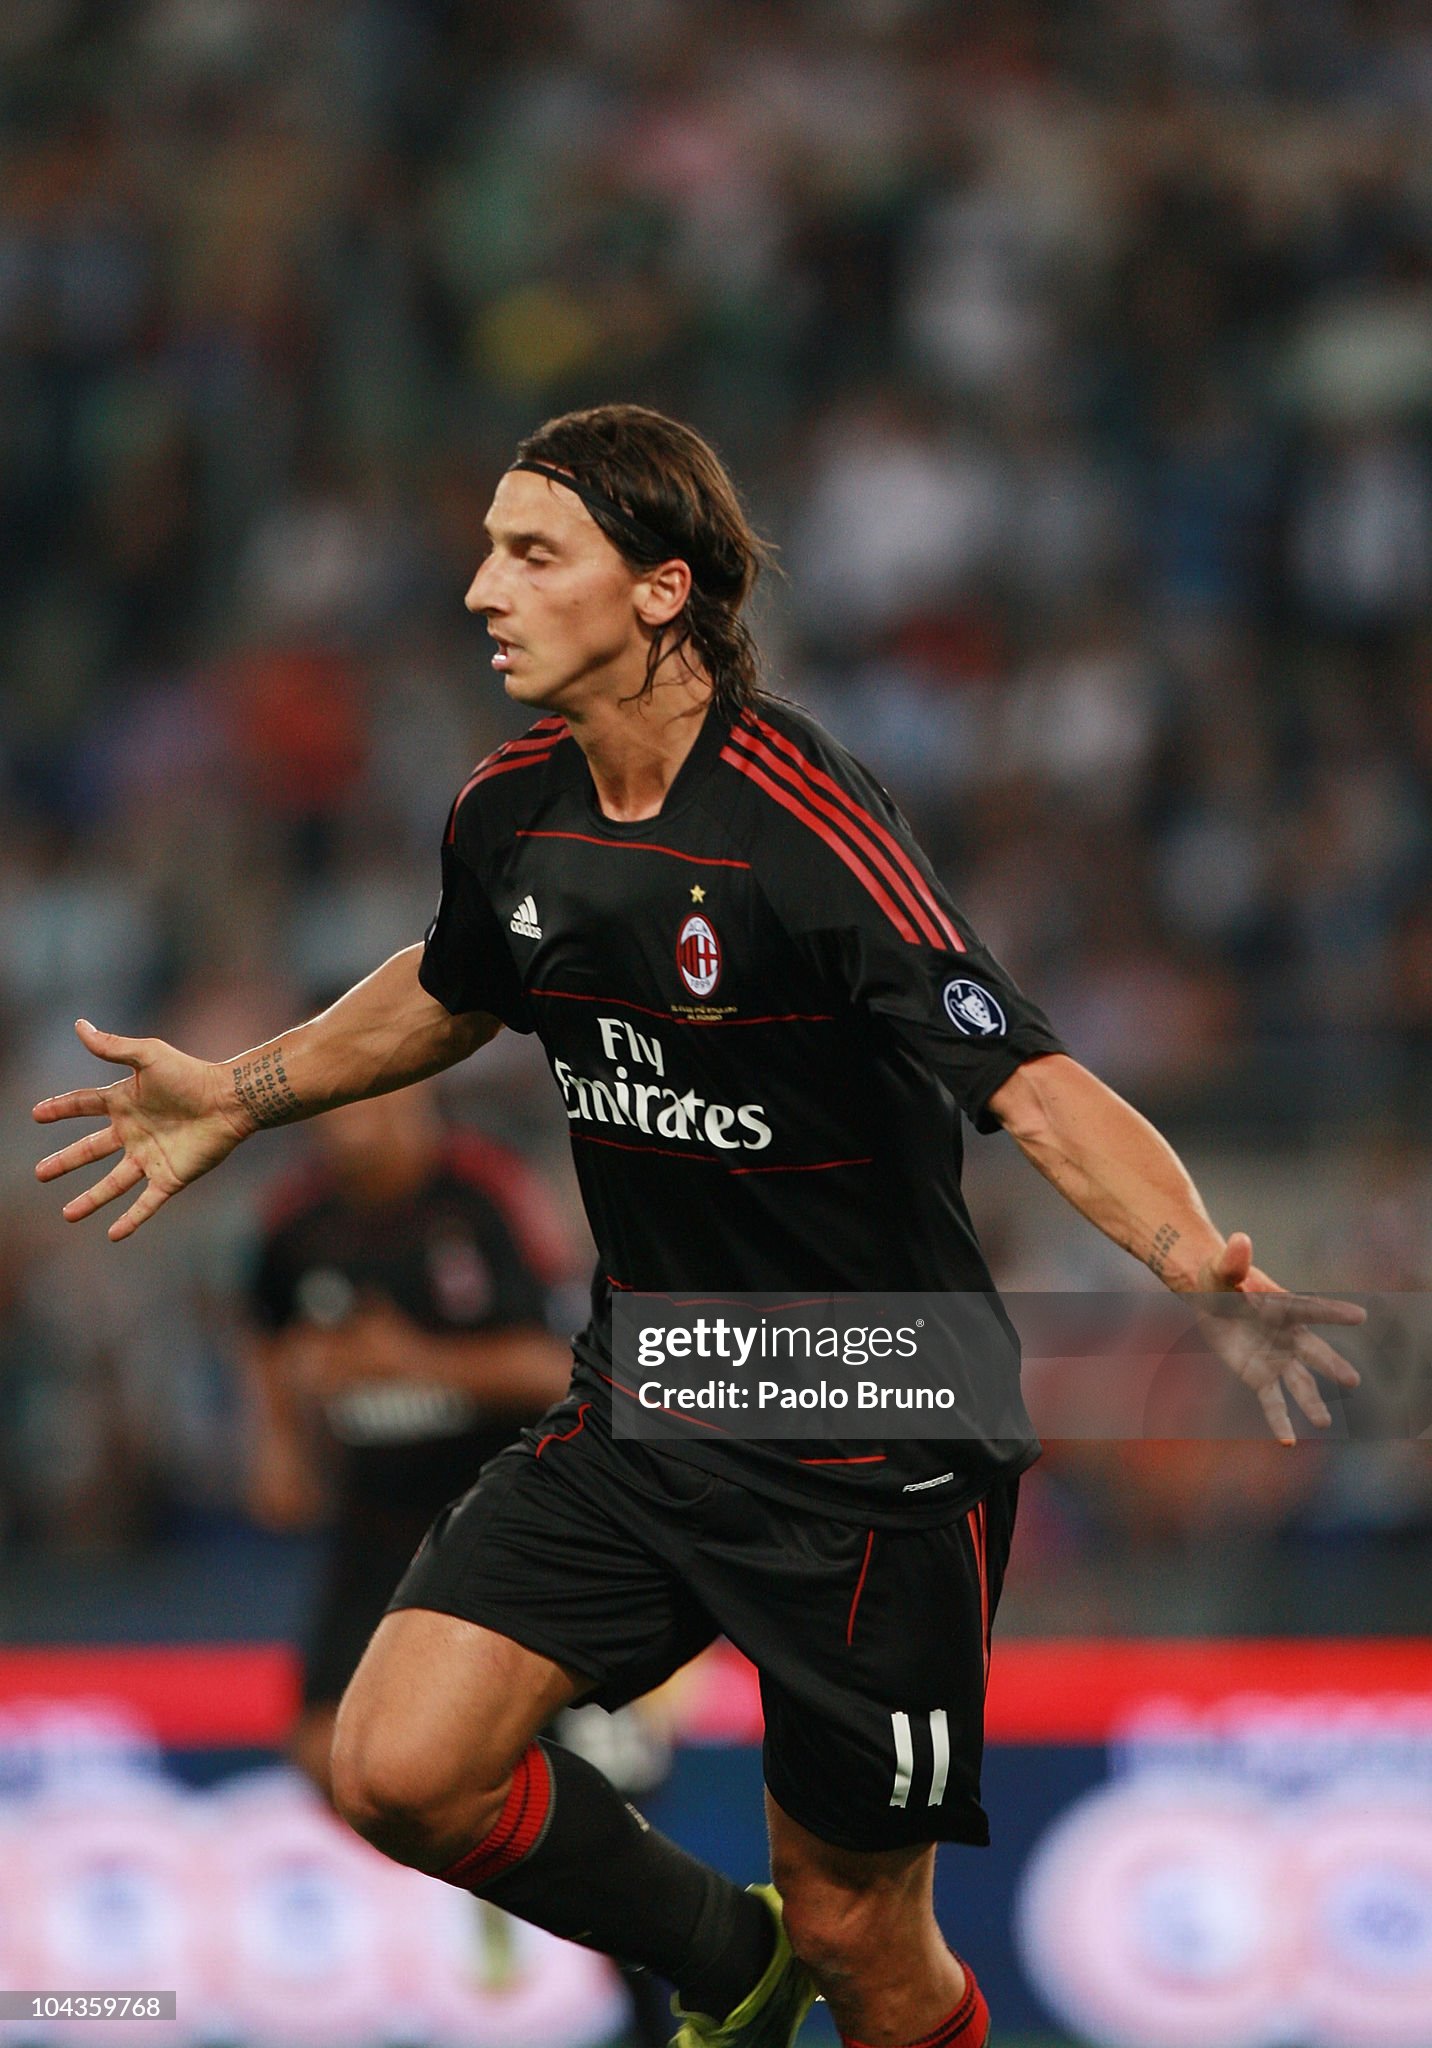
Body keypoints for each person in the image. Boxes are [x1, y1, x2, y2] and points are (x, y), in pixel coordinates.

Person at [34, 404, 1361, 2048]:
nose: (481, 589)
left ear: (661, 589)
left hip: (877, 1424)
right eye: (488, 550)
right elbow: (453, 986)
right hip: (654, 1391)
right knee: (395, 1764)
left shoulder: (800, 821)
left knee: (864, 1936)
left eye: (533, 553)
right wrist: (245, 1090)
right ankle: (726, 1963)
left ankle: (795, 1955)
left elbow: (1024, 1077)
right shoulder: (511, 807)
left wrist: (1188, 1259)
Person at [240, 1078, 570, 1797]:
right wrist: (280, 1445)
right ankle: (452, 1858)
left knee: (506, 1750)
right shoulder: (296, 1219)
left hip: (501, 1520)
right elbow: (265, 1329)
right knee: (324, 1747)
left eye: (367, 1093)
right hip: (376, 1524)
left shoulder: (485, 1194)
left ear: (413, 1091)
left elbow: (564, 1370)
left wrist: (417, 1362)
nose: (350, 1117)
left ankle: (511, 1857)